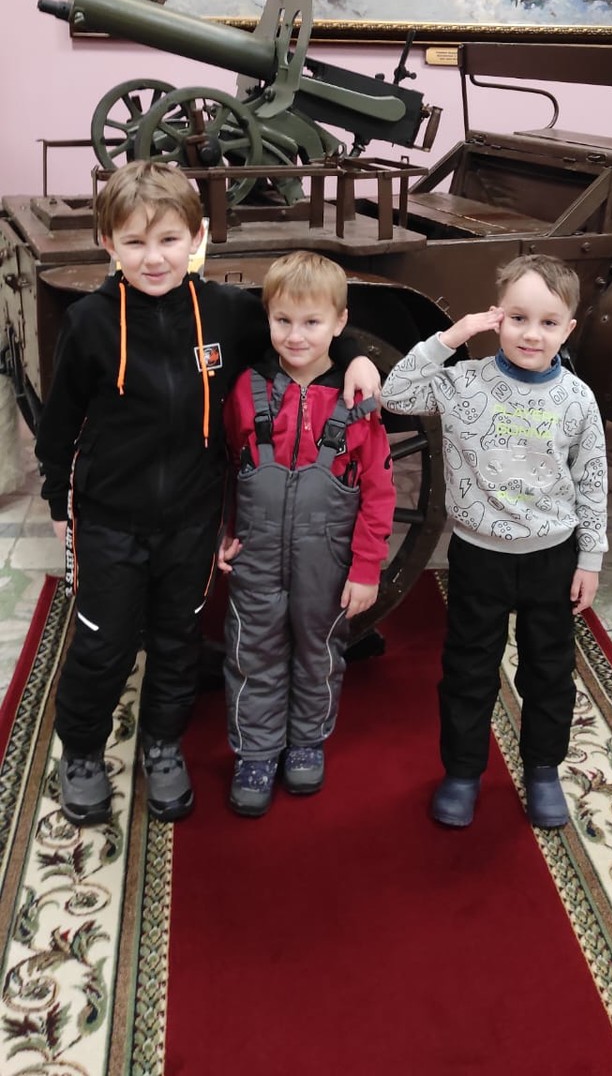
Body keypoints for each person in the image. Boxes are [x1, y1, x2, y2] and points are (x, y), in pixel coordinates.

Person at [35, 165, 379, 829]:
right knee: (103, 643)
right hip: (109, 518)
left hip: (191, 519)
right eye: (134, 242)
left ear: (196, 237)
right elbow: (59, 426)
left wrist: (358, 353)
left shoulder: (225, 311)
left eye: (168, 239)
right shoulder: (89, 323)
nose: (153, 257)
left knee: (177, 639)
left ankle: (163, 744)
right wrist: (58, 502)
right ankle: (81, 751)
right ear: (108, 244)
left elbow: (299, 339)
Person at [381, 255, 607, 832]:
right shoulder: (463, 384)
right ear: (496, 317)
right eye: (518, 318)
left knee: (549, 671)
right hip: (479, 557)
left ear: (568, 329)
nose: (532, 334)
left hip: (552, 557)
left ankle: (543, 769)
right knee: (468, 667)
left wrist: (590, 558)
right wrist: (453, 336)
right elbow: (395, 393)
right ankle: (462, 772)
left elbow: (591, 481)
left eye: (548, 323)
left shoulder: (578, 399)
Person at [218, 251, 396, 818]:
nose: (296, 336)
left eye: (312, 322)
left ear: (339, 324)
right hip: (256, 551)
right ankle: (255, 752)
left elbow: (379, 491)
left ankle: (306, 741)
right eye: (283, 321)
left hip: (329, 557)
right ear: (267, 319)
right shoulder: (245, 389)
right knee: (252, 651)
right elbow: (226, 468)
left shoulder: (357, 401)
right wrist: (223, 531)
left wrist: (366, 568)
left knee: (319, 651)